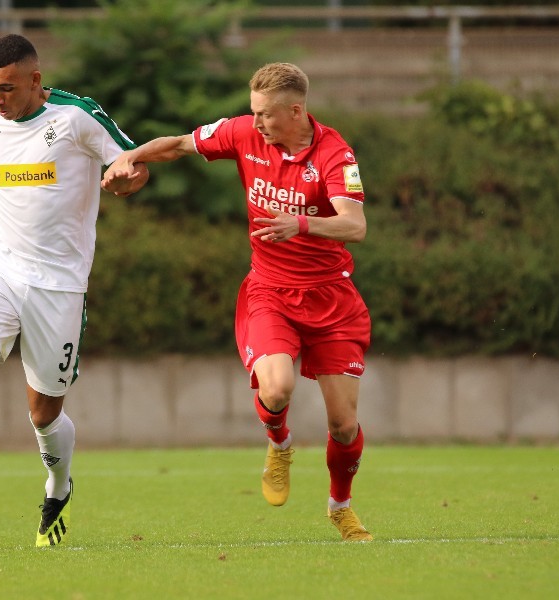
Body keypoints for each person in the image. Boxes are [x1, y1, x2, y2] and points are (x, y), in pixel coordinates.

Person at [102, 62, 373, 542]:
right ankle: (279, 443)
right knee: (277, 389)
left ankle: (340, 507)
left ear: (296, 110)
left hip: (332, 298)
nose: (258, 123)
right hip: (270, 291)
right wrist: (130, 156)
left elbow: (355, 225)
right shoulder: (245, 134)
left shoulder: (335, 154)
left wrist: (301, 224)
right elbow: (181, 144)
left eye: (266, 115)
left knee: (344, 424)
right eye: (254, 113)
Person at [0, 33, 148, 547]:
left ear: (34, 80)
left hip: (59, 285)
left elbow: (132, 162)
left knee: (43, 412)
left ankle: (58, 486)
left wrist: (125, 179)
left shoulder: (76, 117)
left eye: (6, 89)